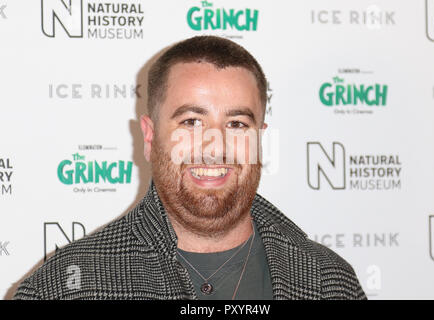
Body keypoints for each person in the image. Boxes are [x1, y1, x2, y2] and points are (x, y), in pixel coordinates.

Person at [14, 36, 366, 300]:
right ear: (150, 137)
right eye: (192, 121)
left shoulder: (328, 280)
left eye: (237, 124)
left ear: (260, 138)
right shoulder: (67, 287)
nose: (214, 147)